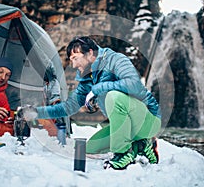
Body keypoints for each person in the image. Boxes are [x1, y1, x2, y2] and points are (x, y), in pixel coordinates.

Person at [35, 36, 161, 170]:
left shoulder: (116, 60)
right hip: (126, 126)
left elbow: (134, 85)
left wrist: (97, 89)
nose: (74, 65)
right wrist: (36, 112)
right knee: (90, 149)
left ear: (90, 53)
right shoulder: (88, 77)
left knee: (114, 96)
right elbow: (69, 107)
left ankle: (123, 153)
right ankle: (142, 145)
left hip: (148, 120)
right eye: (71, 60)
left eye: (75, 58)